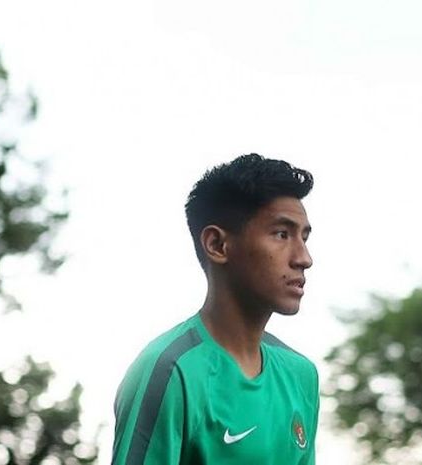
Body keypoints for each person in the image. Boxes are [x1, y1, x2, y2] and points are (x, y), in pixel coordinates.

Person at [111, 154, 319, 465]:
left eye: (303, 237)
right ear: (218, 245)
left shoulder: (301, 375)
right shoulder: (170, 371)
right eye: (281, 234)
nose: (303, 258)